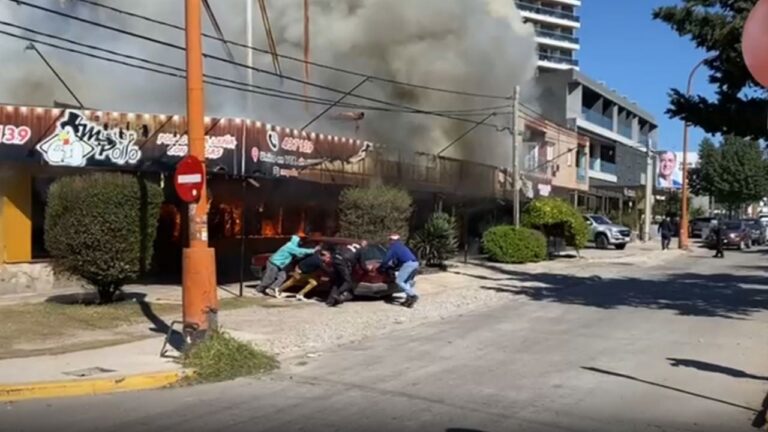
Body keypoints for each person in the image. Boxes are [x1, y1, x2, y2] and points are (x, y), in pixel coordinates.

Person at [380, 234, 420, 308]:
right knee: (406, 282)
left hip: (408, 264)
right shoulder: (402, 246)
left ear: (393, 241)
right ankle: (409, 299)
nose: (389, 241)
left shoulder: (393, 248)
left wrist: (382, 267)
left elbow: (387, 259)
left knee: (399, 281)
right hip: (415, 263)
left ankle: (412, 295)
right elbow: (398, 259)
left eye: (390, 240)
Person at [326, 240, 368, 307]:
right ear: (364, 245)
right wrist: (367, 270)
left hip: (335, 258)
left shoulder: (351, 244)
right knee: (348, 282)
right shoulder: (361, 249)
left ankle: (330, 301)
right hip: (343, 262)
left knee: (338, 281)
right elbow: (362, 264)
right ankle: (337, 294)